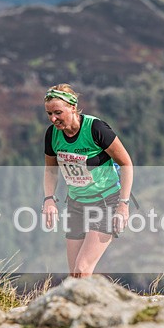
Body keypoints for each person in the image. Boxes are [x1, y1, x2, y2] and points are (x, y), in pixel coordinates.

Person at [41, 83, 134, 278]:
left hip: (106, 202)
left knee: (82, 269)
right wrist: (49, 199)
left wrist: (123, 205)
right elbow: (51, 170)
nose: (53, 119)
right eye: (49, 113)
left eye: (58, 112)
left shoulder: (95, 129)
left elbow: (126, 163)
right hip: (76, 204)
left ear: (73, 107)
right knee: (74, 275)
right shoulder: (52, 134)